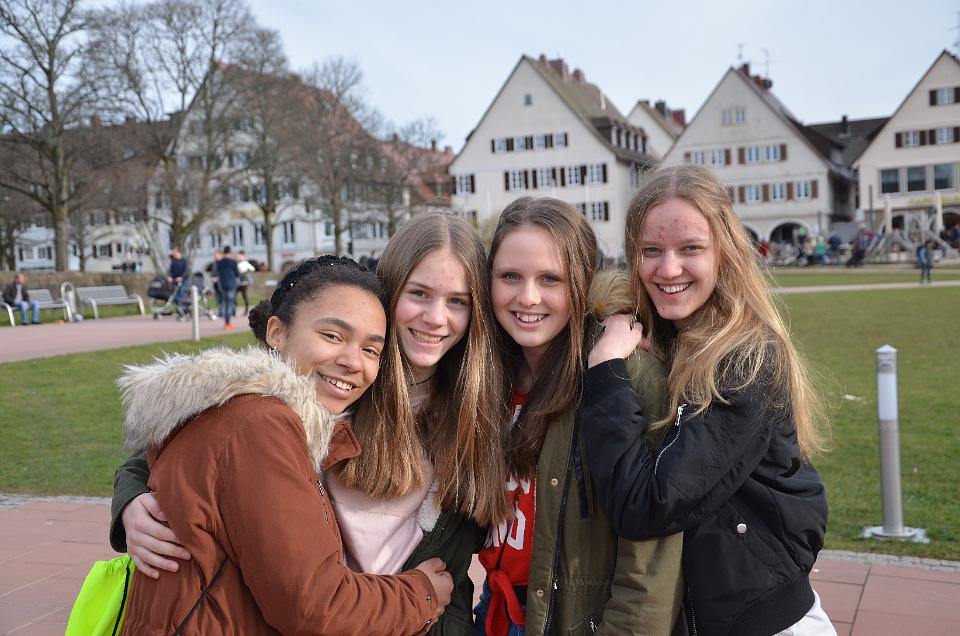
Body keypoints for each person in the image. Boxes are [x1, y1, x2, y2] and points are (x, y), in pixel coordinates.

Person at [111, 213, 510, 633]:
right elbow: (207, 445)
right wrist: (132, 500)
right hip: (327, 614)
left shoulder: (478, 407)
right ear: (389, 295)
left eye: (457, 301)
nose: (435, 317)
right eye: (419, 293)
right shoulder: (334, 382)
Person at [582, 165, 833, 636]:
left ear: (724, 252)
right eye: (651, 250)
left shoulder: (746, 361)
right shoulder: (670, 338)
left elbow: (646, 504)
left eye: (690, 249)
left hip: (764, 623)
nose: (668, 269)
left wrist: (607, 372)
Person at [474, 197, 683, 635]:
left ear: (583, 283)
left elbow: (650, 564)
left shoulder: (624, 375)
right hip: (497, 610)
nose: (528, 297)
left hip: (576, 620)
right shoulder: (485, 375)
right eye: (510, 276)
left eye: (550, 279)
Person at [215, 245, 240, 329]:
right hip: (231, 283)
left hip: (222, 284)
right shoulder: (233, 262)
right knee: (230, 303)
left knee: (226, 303)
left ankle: (227, 321)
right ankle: (227, 322)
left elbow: (217, 272)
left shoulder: (219, 262)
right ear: (230, 252)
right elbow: (237, 273)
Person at [236, 249, 255, 315]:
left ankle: (246, 310)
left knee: (244, 296)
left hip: (244, 283)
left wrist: (246, 270)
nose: (238, 257)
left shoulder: (245, 263)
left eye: (240, 256)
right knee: (234, 296)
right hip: (237, 283)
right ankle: (234, 310)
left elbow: (252, 269)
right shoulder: (237, 263)